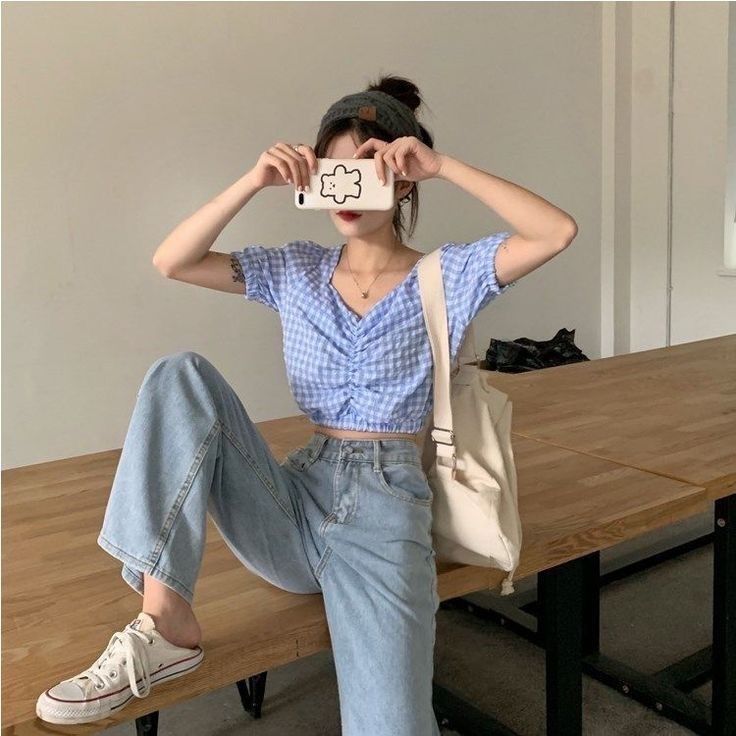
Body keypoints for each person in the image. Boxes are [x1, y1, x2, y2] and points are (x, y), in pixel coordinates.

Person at [36, 74, 576, 733]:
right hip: (292, 504)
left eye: (368, 170)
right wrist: (252, 180)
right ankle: (165, 622)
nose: (347, 187)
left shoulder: (446, 275)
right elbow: (172, 261)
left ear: (402, 180)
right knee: (179, 376)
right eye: (333, 170)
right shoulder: (296, 269)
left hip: (386, 513)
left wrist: (442, 165)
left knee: (393, 726)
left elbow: (555, 231)